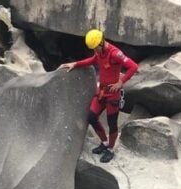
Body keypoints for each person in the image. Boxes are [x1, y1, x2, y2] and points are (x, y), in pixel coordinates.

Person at [59, 29, 138, 163]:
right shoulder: (99, 52)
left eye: (95, 48)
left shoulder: (115, 53)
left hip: (113, 94)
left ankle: (111, 149)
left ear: (101, 43)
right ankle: (105, 143)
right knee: (92, 117)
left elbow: (133, 66)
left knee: (112, 124)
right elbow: (93, 60)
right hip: (101, 92)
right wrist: (75, 64)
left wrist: (121, 82)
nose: (94, 51)